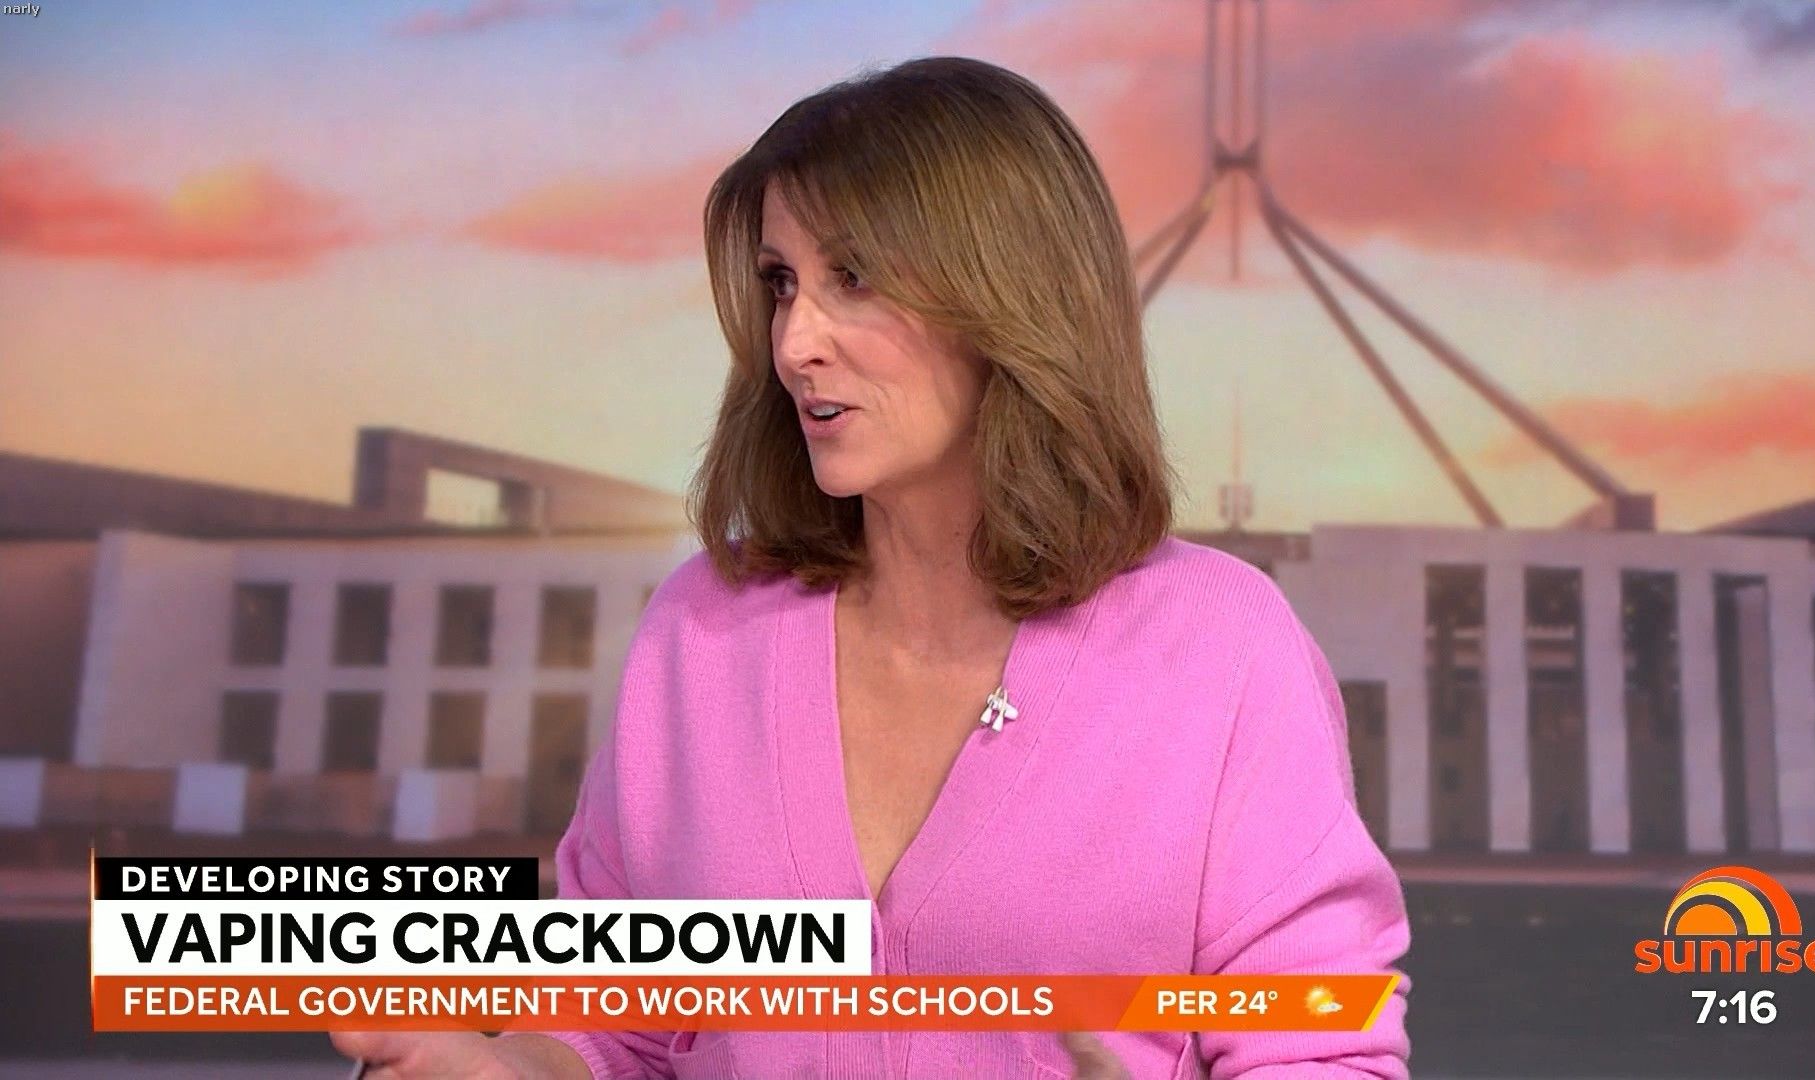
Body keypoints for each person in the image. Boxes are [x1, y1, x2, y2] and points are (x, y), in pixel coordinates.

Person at [333, 55, 1411, 1079]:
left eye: (852, 277)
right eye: (781, 282)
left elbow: (1317, 1048)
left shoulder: (1223, 648)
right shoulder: (700, 630)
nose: (793, 342)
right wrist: (506, 1063)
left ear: (1011, 299)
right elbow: (614, 1025)